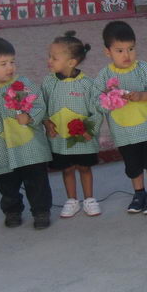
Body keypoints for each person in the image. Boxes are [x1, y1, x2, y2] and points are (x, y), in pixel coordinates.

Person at [0, 36, 53, 230]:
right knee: (7, 186)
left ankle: (41, 211)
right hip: (2, 150)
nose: (10, 68)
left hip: (30, 148)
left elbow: (40, 105)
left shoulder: (23, 84)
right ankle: (12, 211)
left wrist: (30, 117)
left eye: (12, 62)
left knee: (37, 182)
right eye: (3, 63)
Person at [94, 20, 147, 215]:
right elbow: (96, 102)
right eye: (119, 50)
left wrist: (142, 96)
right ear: (107, 52)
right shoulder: (104, 75)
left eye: (131, 49)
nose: (126, 55)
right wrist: (107, 98)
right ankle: (139, 193)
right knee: (133, 165)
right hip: (124, 131)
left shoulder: (143, 68)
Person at [42, 31, 101, 218]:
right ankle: (72, 200)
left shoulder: (87, 84)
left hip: (83, 137)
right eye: (49, 56)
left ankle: (89, 199)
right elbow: (41, 105)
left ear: (71, 62)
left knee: (84, 168)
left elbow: (96, 111)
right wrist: (46, 122)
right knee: (67, 169)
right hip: (60, 138)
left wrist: (90, 129)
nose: (49, 60)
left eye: (54, 57)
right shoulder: (48, 82)